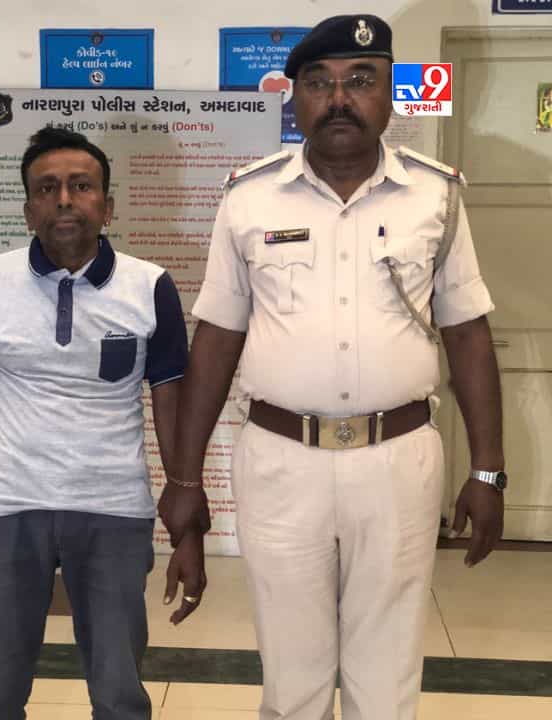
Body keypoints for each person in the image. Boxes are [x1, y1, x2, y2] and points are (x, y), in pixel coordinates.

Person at [157, 14, 506, 720]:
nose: (339, 99)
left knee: (387, 674)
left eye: (360, 81)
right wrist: (185, 481)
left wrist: (488, 470)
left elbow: (468, 332)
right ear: (295, 98)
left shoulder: (435, 195)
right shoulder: (249, 197)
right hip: (280, 462)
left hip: (399, 460)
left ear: (389, 95)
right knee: (293, 674)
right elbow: (216, 340)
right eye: (319, 83)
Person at [0, 126, 195, 720]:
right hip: (9, 506)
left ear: (108, 205)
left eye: (82, 186)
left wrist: (187, 525)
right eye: (47, 189)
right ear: (29, 211)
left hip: (113, 508)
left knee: (119, 696)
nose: (65, 200)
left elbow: (172, 407)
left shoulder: (150, 287)